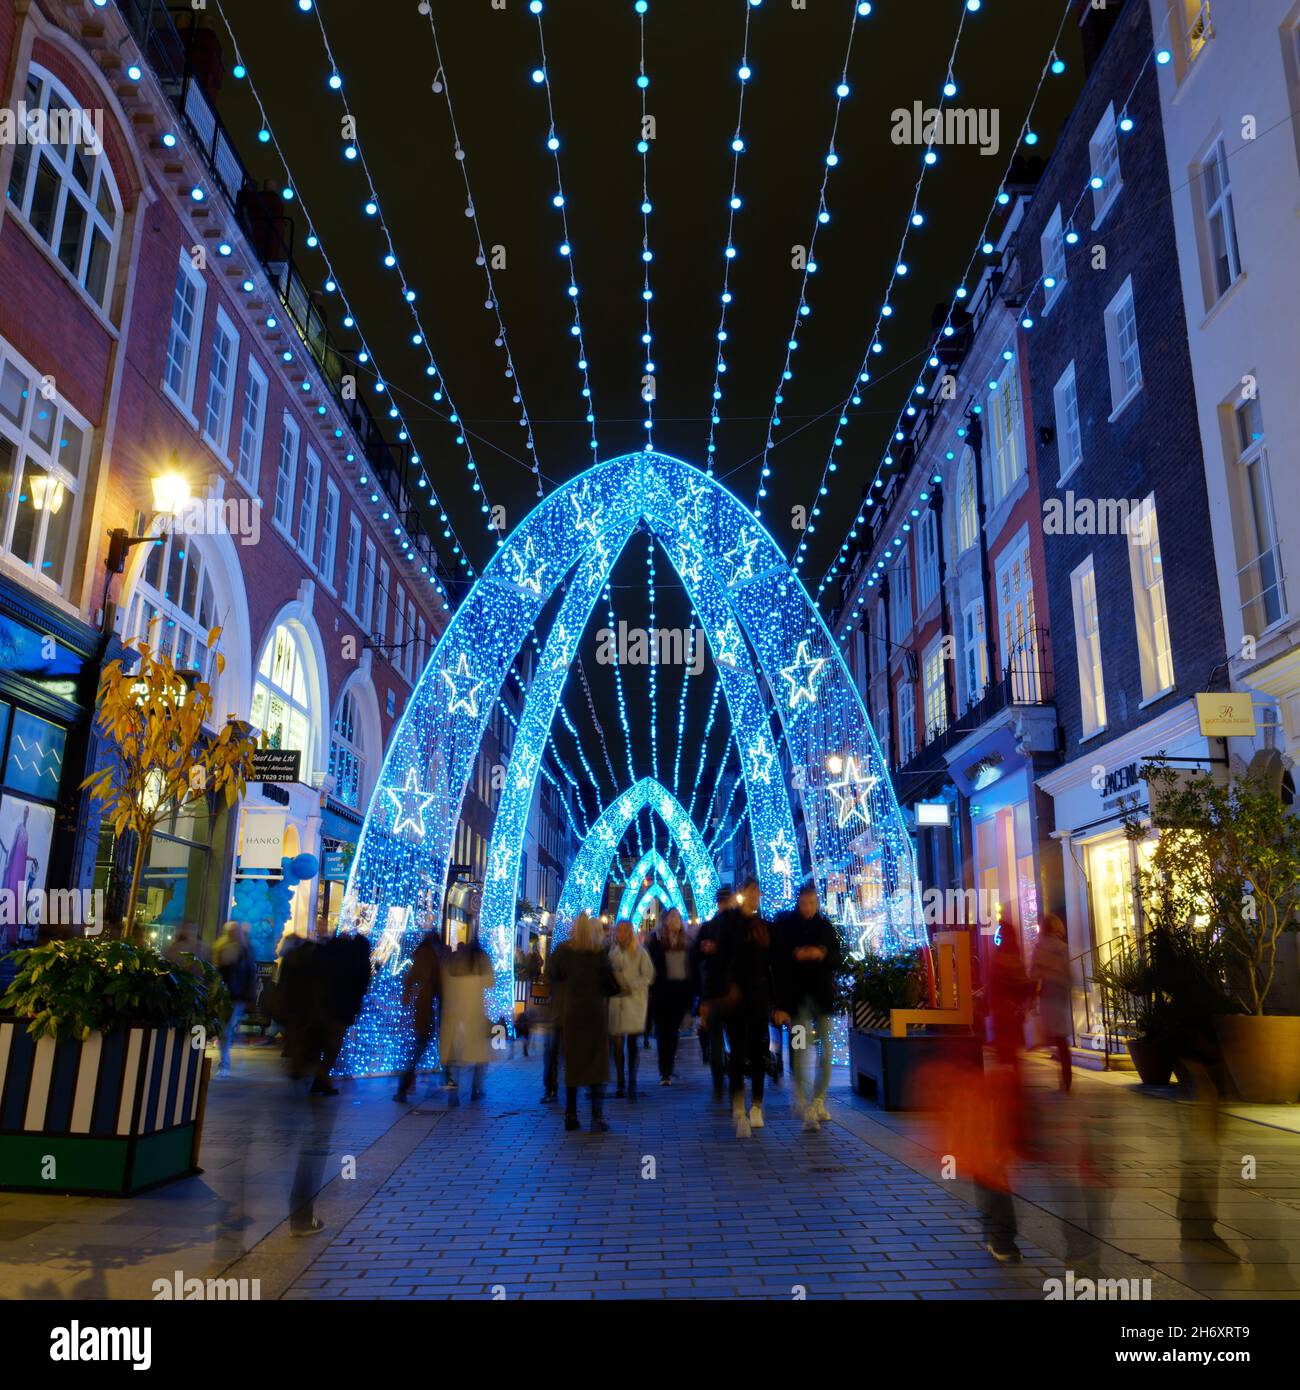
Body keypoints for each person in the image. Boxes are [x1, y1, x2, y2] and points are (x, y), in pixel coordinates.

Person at [704, 878, 773, 1138]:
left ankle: (756, 1105)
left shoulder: (763, 926)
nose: (755, 897)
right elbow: (718, 961)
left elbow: (770, 964)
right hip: (734, 998)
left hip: (757, 998)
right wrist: (712, 996)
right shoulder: (729, 923)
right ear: (743, 895)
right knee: (738, 1051)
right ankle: (738, 1107)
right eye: (751, 892)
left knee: (758, 1053)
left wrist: (776, 1002)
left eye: (758, 893)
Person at [773, 881, 842, 1132]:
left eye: (812, 903)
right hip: (799, 1000)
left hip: (822, 1000)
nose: (808, 907)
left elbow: (837, 958)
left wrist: (822, 953)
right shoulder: (787, 928)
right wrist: (796, 955)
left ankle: (818, 1100)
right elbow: (779, 964)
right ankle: (804, 1100)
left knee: (826, 1050)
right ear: (798, 902)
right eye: (804, 903)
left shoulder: (825, 927)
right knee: (800, 1049)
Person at [545, 912, 618, 1132]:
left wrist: (563, 989)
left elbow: (550, 975)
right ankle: (597, 1115)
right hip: (595, 1013)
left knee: (574, 1064)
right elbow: (611, 985)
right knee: (597, 1063)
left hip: (572, 1013)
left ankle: (570, 1114)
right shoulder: (599, 954)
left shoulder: (563, 951)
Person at [440, 934, 495, 1102]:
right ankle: (476, 1090)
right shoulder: (481, 959)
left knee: (453, 1057)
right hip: (473, 1014)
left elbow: (443, 980)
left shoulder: (453, 961)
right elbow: (490, 982)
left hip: (454, 1014)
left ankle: (452, 1094)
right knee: (479, 1057)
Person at [692, 887, 734, 1098]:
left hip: (720, 994)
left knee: (720, 1041)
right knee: (723, 1041)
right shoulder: (732, 926)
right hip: (725, 994)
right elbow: (695, 958)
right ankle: (723, 1082)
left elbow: (695, 960)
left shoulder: (711, 927)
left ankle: (720, 1084)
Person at [608, 918, 654, 1100]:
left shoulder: (641, 953)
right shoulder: (613, 953)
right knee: (618, 1046)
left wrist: (632, 986)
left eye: (624, 930)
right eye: (618, 931)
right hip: (617, 1003)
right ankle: (620, 1081)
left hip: (633, 1003)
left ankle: (632, 1080)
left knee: (632, 1044)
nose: (621, 934)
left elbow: (648, 975)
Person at [395, 928, 442, 1103]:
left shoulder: (423, 955)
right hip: (425, 1007)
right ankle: (404, 1086)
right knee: (419, 1046)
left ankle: (404, 1086)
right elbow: (434, 982)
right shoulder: (429, 956)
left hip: (422, 1006)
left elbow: (411, 979)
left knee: (418, 1046)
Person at [646, 908, 692, 1085]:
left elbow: (689, 970)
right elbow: (652, 964)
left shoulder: (685, 943)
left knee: (672, 1033)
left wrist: (690, 998)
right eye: (672, 918)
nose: (675, 921)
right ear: (665, 921)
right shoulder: (657, 940)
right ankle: (663, 1071)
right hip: (661, 993)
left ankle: (668, 1068)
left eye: (678, 918)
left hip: (678, 994)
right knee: (662, 1033)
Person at [1029, 914, 1072, 1092]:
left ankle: (1061, 1074)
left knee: (1053, 1035)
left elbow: (1034, 973)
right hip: (1060, 992)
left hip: (1047, 993)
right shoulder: (1063, 948)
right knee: (1061, 1037)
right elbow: (1068, 972)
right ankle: (1066, 1076)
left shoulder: (1039, 947)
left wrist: (1032, 995)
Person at [214, 920, 257, 1078]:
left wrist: (247, 997)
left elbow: (249, 976)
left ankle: (224, 1063)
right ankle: (225, 1058)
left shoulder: (245, 951)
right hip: (225, 994)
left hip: (236, 996)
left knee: (226, 1029)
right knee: (225, 1029)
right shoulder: (222, 949)